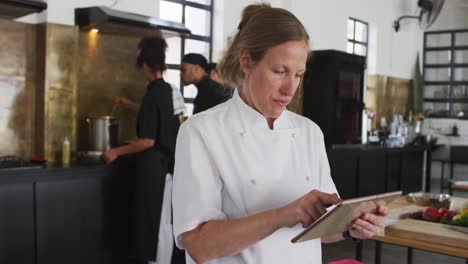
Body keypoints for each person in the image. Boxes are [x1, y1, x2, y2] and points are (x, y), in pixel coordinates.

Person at [172, 4, 389, 264]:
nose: (290, 89)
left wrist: (351, 225)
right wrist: (282, 215)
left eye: (298, 75)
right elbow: (199, 245)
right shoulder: (201, 132)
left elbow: (320, 229)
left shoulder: (309, 132)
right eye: (279, 71)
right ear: (247, 61)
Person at [101, 33, 185, 264]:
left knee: (153, 222)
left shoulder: (153, 94)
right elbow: (159, 116)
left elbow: (148, 141)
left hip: (154, 169)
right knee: (163, 221)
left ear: (146, 66)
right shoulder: (168, 90)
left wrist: (115, 152)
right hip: (168, 166)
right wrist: (130, 105)